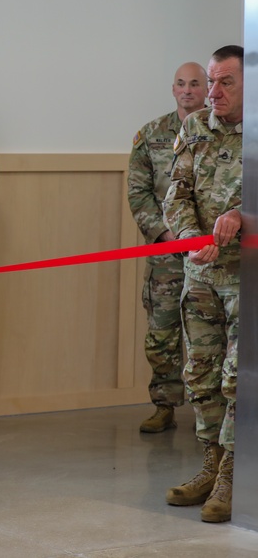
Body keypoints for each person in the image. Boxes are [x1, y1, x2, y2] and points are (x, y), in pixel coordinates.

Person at [163, 44, 243, 524]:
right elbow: (177, 194)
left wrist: (241, 216)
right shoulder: (194, 127)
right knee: (201, 373)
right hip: (200, 274)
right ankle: (210, 467)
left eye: (225, 82)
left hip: (245, 278)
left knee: (237, 377)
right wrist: (192, 240)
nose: (212, 92)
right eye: (210, 81)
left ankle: (233, 473)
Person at [127, 62, 206, 433]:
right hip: (167, 254)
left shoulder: (223, 132)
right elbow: (138, 192)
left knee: (212, 335)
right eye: (181, 84)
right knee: (162, 334)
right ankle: (164, 405)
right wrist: (163, 234)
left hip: (210, 253)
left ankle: (212, 413)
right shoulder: (152, 134)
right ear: (173, 89)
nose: (187, 90)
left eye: (195, 83)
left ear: (207, 89)